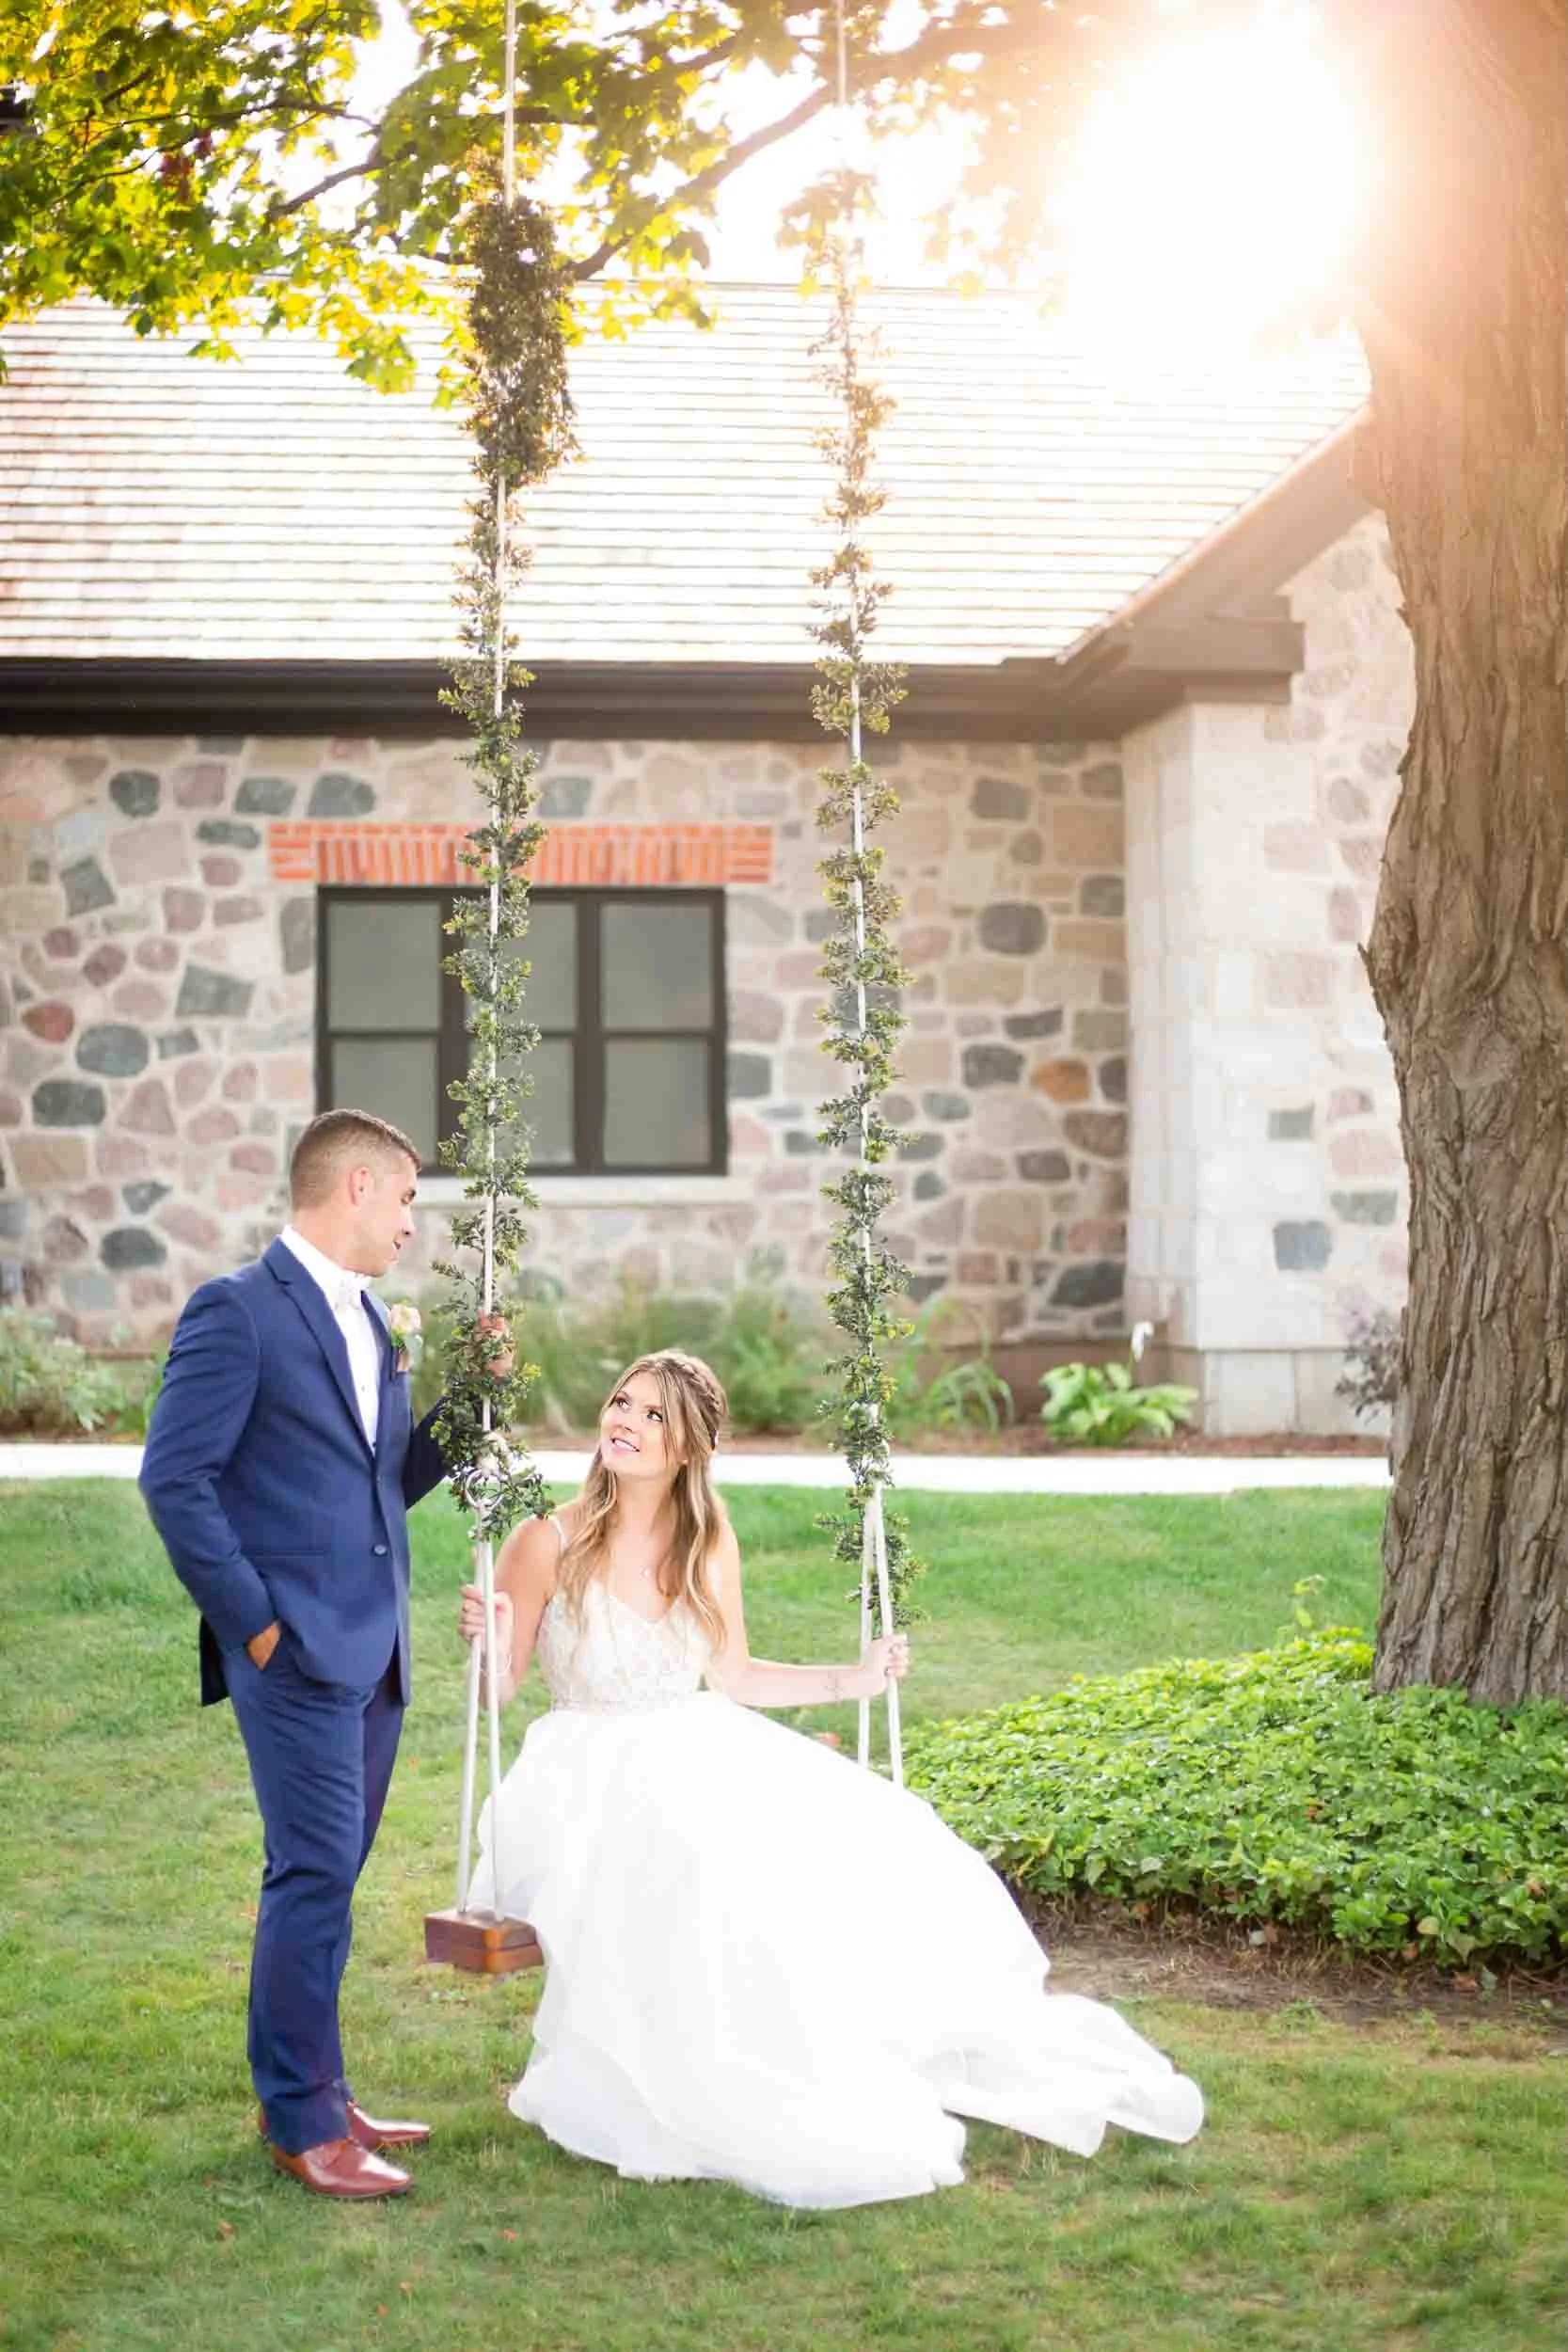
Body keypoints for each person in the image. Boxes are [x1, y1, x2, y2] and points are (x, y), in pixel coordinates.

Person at [459, 1348, 1204, 2209]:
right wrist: (489, 1638)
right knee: (691, 1856)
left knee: (844, 1841)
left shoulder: (709, 1541)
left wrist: (854, 1678)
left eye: (654, 1415)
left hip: (694, 1742)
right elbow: (498, 1692)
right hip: (584, 1772)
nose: (625, 1421)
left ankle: (782, 2056)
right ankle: (670, 2076)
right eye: (622, 1402)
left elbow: (733, 1678)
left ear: (689, 1447)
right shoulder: (544, 1540)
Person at [140, 1107, 506, 2201]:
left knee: (327, 1881)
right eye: (403, 1199)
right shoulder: (239, 1313)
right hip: (295, 1653)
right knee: (309, 1878)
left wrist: (469, 1401)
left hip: (376, 1650)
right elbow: (174, 1478)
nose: (409, 1223)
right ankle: (302, 2122)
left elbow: (376, 1482)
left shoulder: (370, 1324)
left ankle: (315, 2084)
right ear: (352, 1187)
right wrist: (255, 1622)